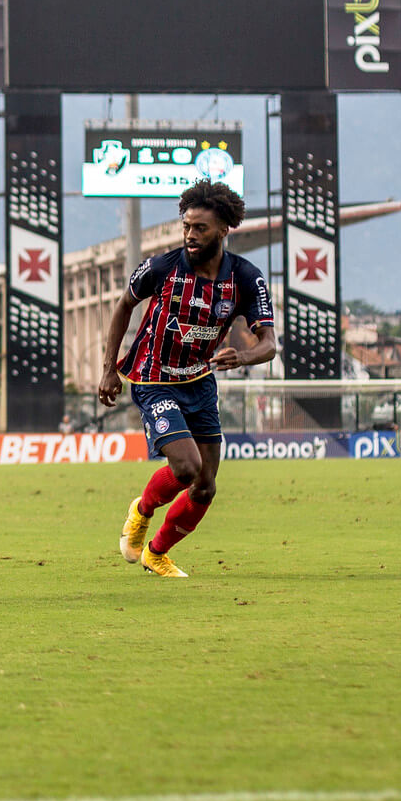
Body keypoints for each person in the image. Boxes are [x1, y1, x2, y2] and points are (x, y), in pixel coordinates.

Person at [99, 181, 276, 578]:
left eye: (200, 228)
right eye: (187, 226)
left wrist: (244, 355)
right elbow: (123, 307)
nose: (190, 235)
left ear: (224, 230)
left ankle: (156, 553)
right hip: (153, 378)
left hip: (199, 382)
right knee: (185, 468)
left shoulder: (246, 278)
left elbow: (270, 344)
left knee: (205, 486)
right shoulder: (162, 267)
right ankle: (141, 511)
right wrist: (110, 368)